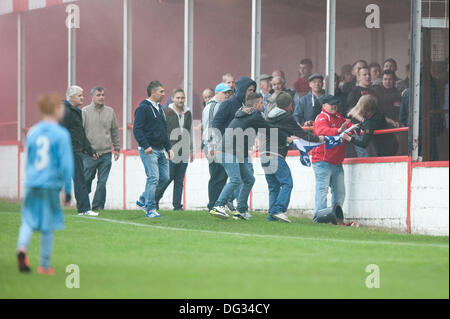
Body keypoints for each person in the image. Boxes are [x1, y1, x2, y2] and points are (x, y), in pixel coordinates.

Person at [17, 93, 74, 275]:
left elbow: (29, 160)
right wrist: (67, 189)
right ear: (57, 109)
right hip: (50, 184)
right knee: (48, 225)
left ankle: (22, 248)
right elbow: (66, 165)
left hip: (33, 183)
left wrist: (29, 180)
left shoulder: (33, 132)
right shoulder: (61, 134)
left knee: (28, 219)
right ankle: (44, 265)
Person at [209, 92, 289, 220]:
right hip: (228, 152)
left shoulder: (244, 113)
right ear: (257, 104)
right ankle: (218, 206)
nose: (263, 105)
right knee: (235, 180)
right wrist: (286, 136)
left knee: (249, 179)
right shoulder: (254, 114)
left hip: (234, 153)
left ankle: (241, 210)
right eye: (262, 103)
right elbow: (268, 129)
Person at [263, 91, 323, 223]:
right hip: (276, 155)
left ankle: (272, 215)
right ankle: (278, 210)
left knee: (273, 186)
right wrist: (319, 139)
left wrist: (287, 138)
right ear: (289, 105)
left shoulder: (269, 116)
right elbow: (302, 134)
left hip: (264, 156)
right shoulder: (286, 117)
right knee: (287, 183)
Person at [134, 81, 174, 218]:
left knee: (165, 177)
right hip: (148, 149)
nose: (164, 94)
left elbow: (164, 130)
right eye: (161, 91)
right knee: (153, 178)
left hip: (160, 149)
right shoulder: (143, 108)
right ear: (153, 93)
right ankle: (150, 209)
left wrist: (169, 148)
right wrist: (146, 146)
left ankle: (143, 198)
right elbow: (137, 129)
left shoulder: (160, 108)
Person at [61, 85, 99, 216]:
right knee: (79, 179)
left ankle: (83, 209)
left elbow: (80, 133)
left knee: (78, 179)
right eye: (80, 95)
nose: (83, 98)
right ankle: (84, 209)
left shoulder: (76, 111)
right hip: (70, 150)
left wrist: (89, 150)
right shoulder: (65, 111)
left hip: (76, 150)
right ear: (71, 97)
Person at [310, 95, 349, 223]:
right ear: (324, 105)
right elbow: (322, 130)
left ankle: (335, 218)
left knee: (340, 192)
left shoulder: (338, 117)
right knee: (322, 191)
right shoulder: (321, 117)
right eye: (331, 104)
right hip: (322, 161)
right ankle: (319, 218)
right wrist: (338, 130)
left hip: (336, 162)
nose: (334, 106)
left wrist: (358, 129)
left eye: (335, 103)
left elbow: (349, 126)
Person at [82, 87, 120, 213]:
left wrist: (117, 148)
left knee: (102, 182)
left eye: (103, 95)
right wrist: (85, 150)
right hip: (89, 154)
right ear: (92, 97)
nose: (101, 97)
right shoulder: (85, 112)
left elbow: (114, 130)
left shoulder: (110, 112)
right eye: (98, 95)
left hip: (106, 153)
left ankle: (98, 205)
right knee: (87, 179)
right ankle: (83, 200)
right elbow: (81, 133)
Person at [154, 89, 193, 211]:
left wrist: (191, 150)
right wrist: (165, 150)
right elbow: (161, 132)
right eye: (178, 98)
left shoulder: (188, 112)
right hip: (170, 151)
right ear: (172, 98)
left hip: (184, 151)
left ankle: (177, 206)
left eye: (182, 98)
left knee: (179, 179)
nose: (180, 100)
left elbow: (189, 132)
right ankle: (154, 199)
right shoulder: (166, 112)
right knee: (167, 177)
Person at [202, 83, 233, 211]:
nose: (227, 95)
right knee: (217, 176)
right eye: (225, 93)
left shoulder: (221, 106)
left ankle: (218, 204)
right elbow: (210, 128)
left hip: (221, 145)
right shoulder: (212, 107)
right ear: (217, 93)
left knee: (222, 176)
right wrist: (212, 148)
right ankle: (213, 205)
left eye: (229, 93)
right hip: (214, 145)